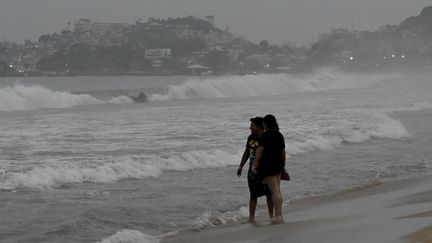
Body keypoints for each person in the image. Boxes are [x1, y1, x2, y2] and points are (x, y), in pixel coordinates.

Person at [237, 117, 274, 224]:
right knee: (253, 194)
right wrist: (241, 166)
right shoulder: (250, 137)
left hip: (266, 171)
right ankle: (251, 218)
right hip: (252, 171)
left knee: (269, 193)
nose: (250, 127)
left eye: (252, 125)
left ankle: (271, 216)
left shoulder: (267, 137)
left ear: (259, 126)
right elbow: (247, 152)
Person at [252, 114, 286, 224]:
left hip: (268, 166)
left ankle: (278, 216)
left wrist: (255, 164)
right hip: (278, 165)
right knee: (278, 191)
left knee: (274, 191)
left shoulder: (265, 136)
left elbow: (259, 151)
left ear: (266, 124)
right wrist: (283, 166)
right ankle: (279, 215)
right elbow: (283, 152)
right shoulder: (279, 135)